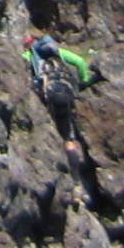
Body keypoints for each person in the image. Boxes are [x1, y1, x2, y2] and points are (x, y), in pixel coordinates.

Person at [22, 32, 95, 168]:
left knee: (64, 136)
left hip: (50, 95)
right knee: (69, 131)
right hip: (67, 91)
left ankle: (73, 175)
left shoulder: (29, 56)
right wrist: (84, 82)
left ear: (27, 46)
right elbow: (80, 62)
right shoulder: (58, 52)